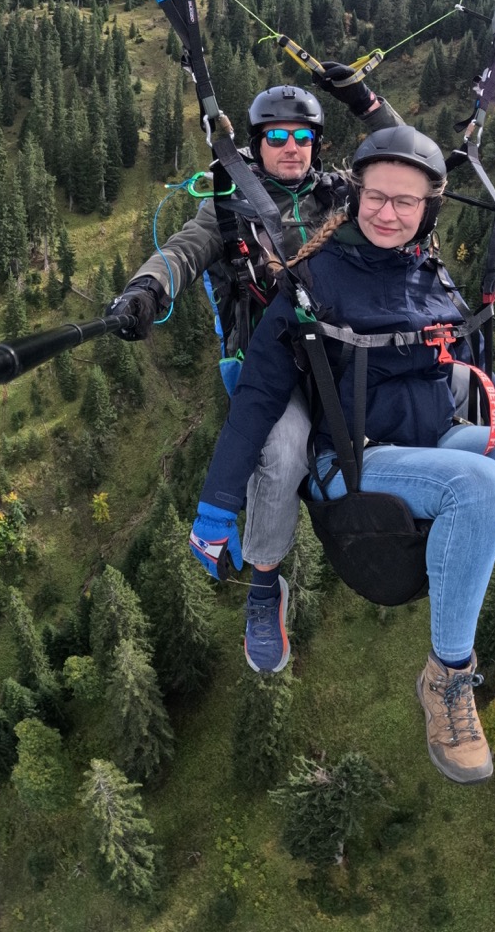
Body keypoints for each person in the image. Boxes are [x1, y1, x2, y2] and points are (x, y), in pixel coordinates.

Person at [194, 125, 495, 784]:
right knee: (484, 488)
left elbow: (464, 364)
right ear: (355, 197)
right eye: (376, 198)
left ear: (427, 210)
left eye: (406, 203)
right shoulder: (313, 281)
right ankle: (446, 679)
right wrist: (217, 505)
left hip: (435, 435)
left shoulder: (428, 273)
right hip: (355, 458)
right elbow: (259, 399)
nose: (389, 213)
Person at [107, 71, 401, 671]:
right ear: (258, 143)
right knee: (286, 452)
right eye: (277, 137)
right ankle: (266, 589)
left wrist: (367, 102)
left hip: (340, 351)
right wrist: (144, 290)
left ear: (316, 143)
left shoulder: (340, 196)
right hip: (267, 368)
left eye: (302, 136)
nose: (291, 147)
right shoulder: (230, 207)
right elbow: (182, 252)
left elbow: (410, 167)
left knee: (416, 400)